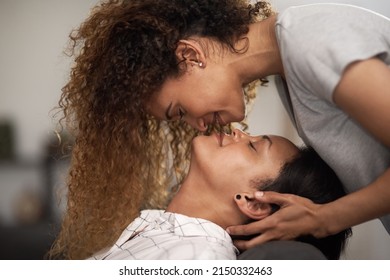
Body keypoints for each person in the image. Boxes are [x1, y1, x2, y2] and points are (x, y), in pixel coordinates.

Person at [49, 0, 389, 259]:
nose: (196, 126)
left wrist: (326, 219)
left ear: (189, 56)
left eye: (179, 110)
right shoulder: (292, 70)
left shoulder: (308, 39)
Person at [88, 130, 351, 260]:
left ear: (254, 202)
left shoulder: (199, 258)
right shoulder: (167, 232)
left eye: (252, 146)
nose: (238, 131)